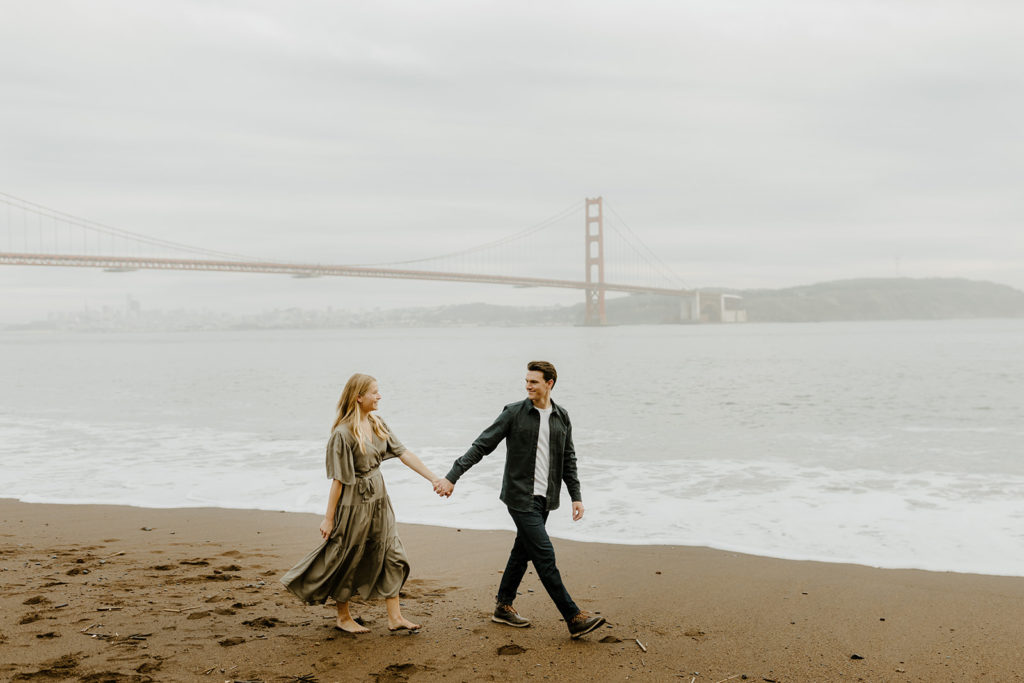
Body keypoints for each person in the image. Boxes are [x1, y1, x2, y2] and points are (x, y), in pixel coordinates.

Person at [433, 360, 606, 639]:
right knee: (544, 554)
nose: (528, 386)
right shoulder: (514, 413)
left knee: (522, 551)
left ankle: (503, 606)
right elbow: (482, 445)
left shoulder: (562, 417)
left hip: (545, 498)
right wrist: (453, 476)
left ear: (549, 384)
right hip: (519, 495)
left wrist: (576, 496)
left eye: (534, 382)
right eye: (526, 381)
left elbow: (568, 459)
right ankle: (573, 617)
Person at [281, 373, 442, 633]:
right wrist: (329, 517)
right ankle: (343, 617)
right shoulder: (342, 434)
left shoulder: (378, 424)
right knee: (348, 556)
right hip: (354, 502)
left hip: (379, 498)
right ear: (358, 397)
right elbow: (338, 480)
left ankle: (395, 617)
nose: (379, 396)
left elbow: (404, 453)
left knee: (392, 553)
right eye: (374, 392)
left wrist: (434, 478)